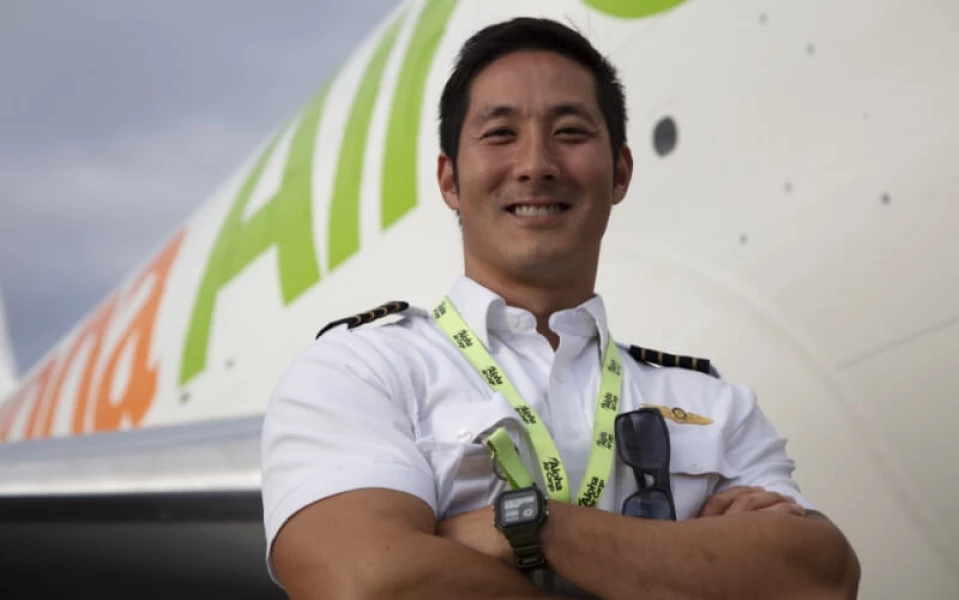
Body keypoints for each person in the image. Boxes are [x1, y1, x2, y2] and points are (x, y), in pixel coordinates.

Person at [261, 17, 861, 599]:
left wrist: (525, 526)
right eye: (500, 134)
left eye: (570, 132)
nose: (536, 165)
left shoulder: (714, 405)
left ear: (619, 173)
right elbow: (368, 584)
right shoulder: (362, 370)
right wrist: (685, 566)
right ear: (449, 180)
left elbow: (820, 579)